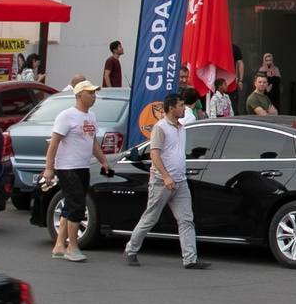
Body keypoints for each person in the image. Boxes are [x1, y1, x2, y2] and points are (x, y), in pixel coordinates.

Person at [123, 94, 203, 269]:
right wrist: (166, 176)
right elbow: (154, 154)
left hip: (180, 181)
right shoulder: (160, 128)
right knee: (150, 217)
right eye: (181, 105)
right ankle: (131, 249)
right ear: (171, 108)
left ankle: (190, 259)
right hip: (162, 181)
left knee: (186, 220)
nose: (184, 108)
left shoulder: (181, 128)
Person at [39, 78, 113, 261]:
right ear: (79, 95)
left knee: (70, 205)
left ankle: (59, 245)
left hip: (82, 166)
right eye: (90, 93)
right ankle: (72, 246)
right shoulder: (66, 116)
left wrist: (103, 161)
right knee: (78, 205)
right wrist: (49, 169)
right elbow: (54, 143)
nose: (94, 96)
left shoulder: (91, 116)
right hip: (67, 167)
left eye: (94, 93)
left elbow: (92, 141)